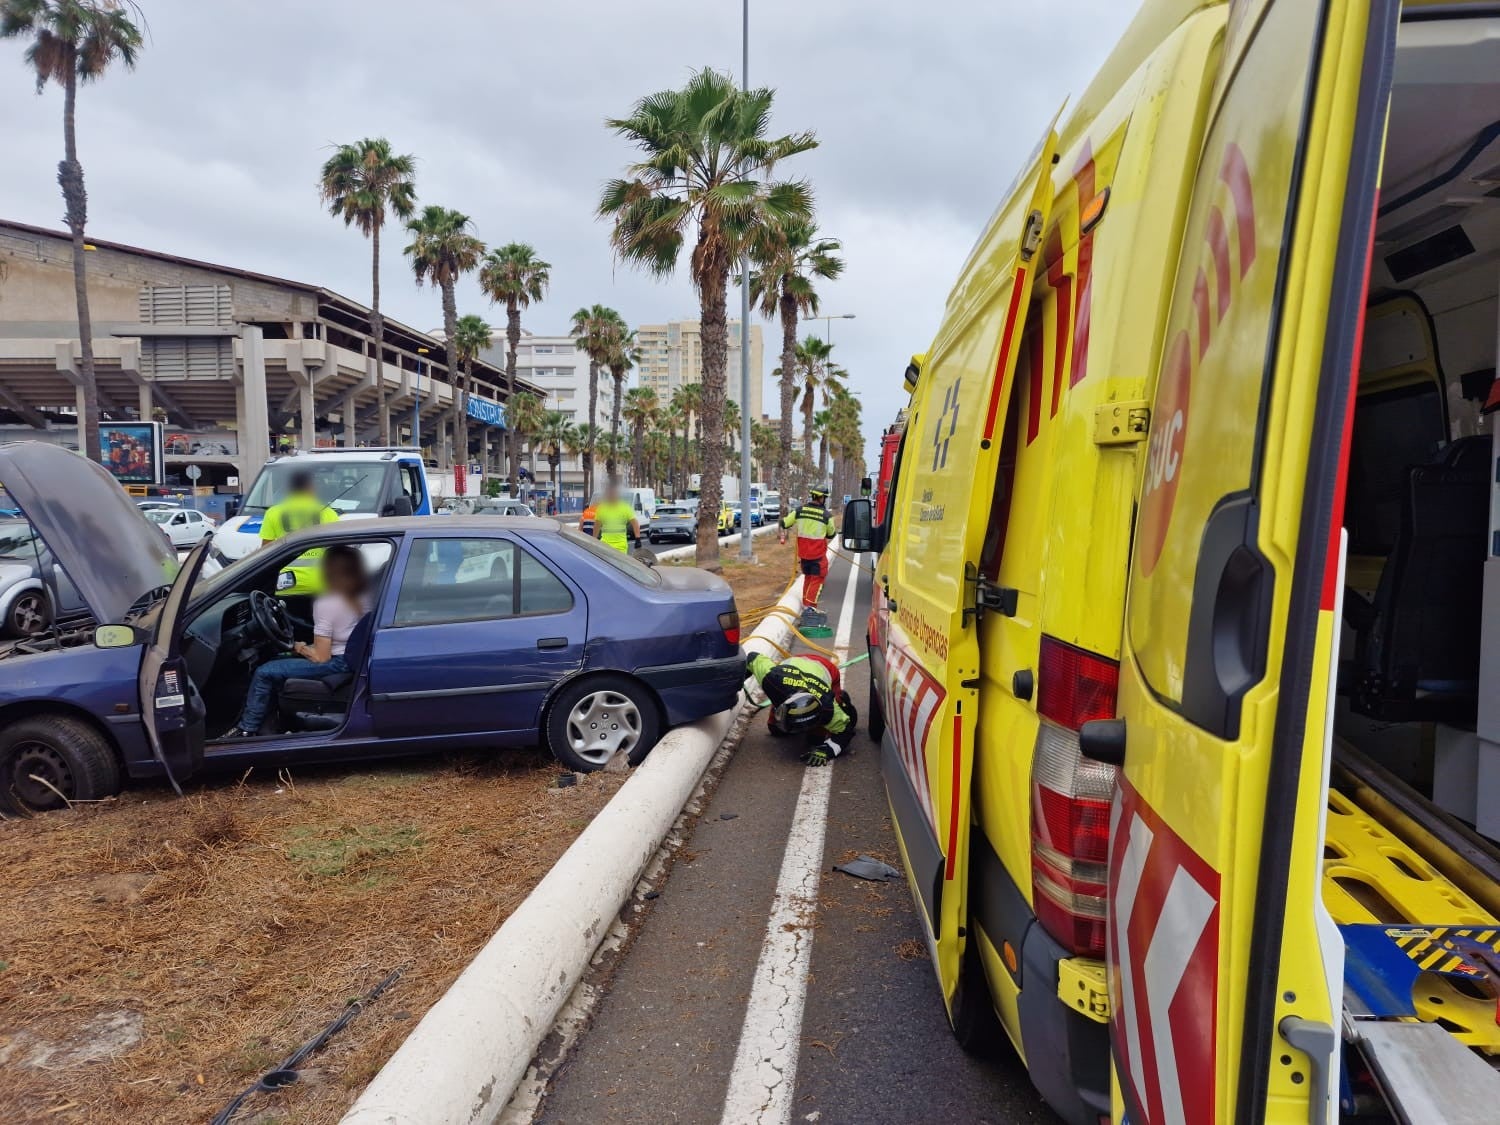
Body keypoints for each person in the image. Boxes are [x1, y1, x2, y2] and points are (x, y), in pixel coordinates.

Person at [224, 545, 370, 738]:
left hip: (338, 663)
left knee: (264, 672)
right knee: (278, 662)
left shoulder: (327, 603)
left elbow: (321, 657)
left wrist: (299, 647)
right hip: (355, 657)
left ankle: (246, 729)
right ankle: (278, 720)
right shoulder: (367, 596)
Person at [745, 650, 856, 766]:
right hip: (794, 666)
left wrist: (826, 751)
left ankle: (842, 700)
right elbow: (752, 658)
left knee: (816, 740)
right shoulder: (771, 680)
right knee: (776, 730)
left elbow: (846, 731)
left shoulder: (828, 709)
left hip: (826, 669)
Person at [258, 469, 338, 594]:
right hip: (320, 585)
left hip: (284, 585)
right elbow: (336, 552)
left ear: (289, 489)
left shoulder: (273, 513)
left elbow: (266, 552)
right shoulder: (328, 513)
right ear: (310, 487)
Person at [781, 486, 836, 615]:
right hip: (818, 555)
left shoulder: (799, 511)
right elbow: (831, 533)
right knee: (817, 579)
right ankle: (810, 607)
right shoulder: (826, 516)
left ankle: (806, 604)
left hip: (804, 555)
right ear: (821, 498)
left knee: (808, 578)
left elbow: (785, 523)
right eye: (824, 498)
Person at [593, 482, 640, 553]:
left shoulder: (625, 508)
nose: (611, 495)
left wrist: (638, 538)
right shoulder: (601, 508)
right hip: (605, 545)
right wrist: (594, 540)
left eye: (613, 493)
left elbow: (635, 523)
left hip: (621, 546)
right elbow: (597, 526)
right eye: (609, 493)